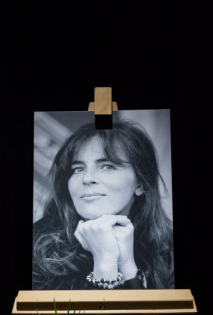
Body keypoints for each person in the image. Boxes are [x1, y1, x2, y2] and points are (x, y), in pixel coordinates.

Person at [32, 118, 174, 290]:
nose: (87, 178)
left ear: (141, 183)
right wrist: (105, 262)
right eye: (78, 169)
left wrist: (127, 267)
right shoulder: (36, 249)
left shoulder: (168, 249)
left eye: (107, 166)